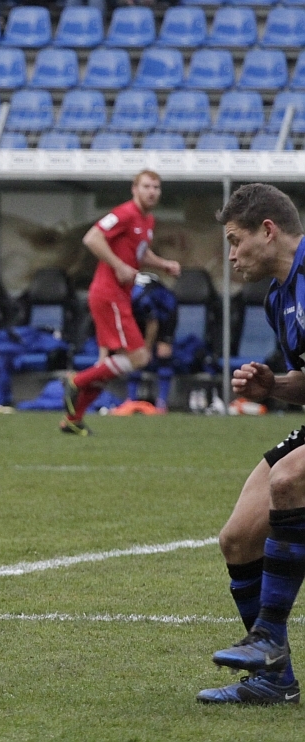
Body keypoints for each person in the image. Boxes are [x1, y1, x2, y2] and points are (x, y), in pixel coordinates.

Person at [196, 183, 305, 705]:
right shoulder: (279, 298)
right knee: (238, 538)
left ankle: (266, 636)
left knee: (289, 479)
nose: (232, 256)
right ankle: (274, 679)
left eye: (235, 242)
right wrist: (274, 386)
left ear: (268, 230)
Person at [61, 170, 181, 435]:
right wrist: (118, 265)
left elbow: (140, 253)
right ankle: (76, 381)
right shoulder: (125, 213)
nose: (152, 192)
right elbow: (92, 237)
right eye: (147, 186)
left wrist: (163, 264)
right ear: (134, 189)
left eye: (156, 187)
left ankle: (72, 419)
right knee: (139, 357)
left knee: (108, 365)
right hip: (109, 294)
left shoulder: (147, 220)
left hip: (119, 296)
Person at [123, 272, 177, 413]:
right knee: (134, 354)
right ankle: (131, 400)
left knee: (163, 352)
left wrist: (147, 348)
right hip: (141, 317)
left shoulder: (140, 298)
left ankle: (162, 403)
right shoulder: (115, 297)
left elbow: (152, 323)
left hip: (165, 312)